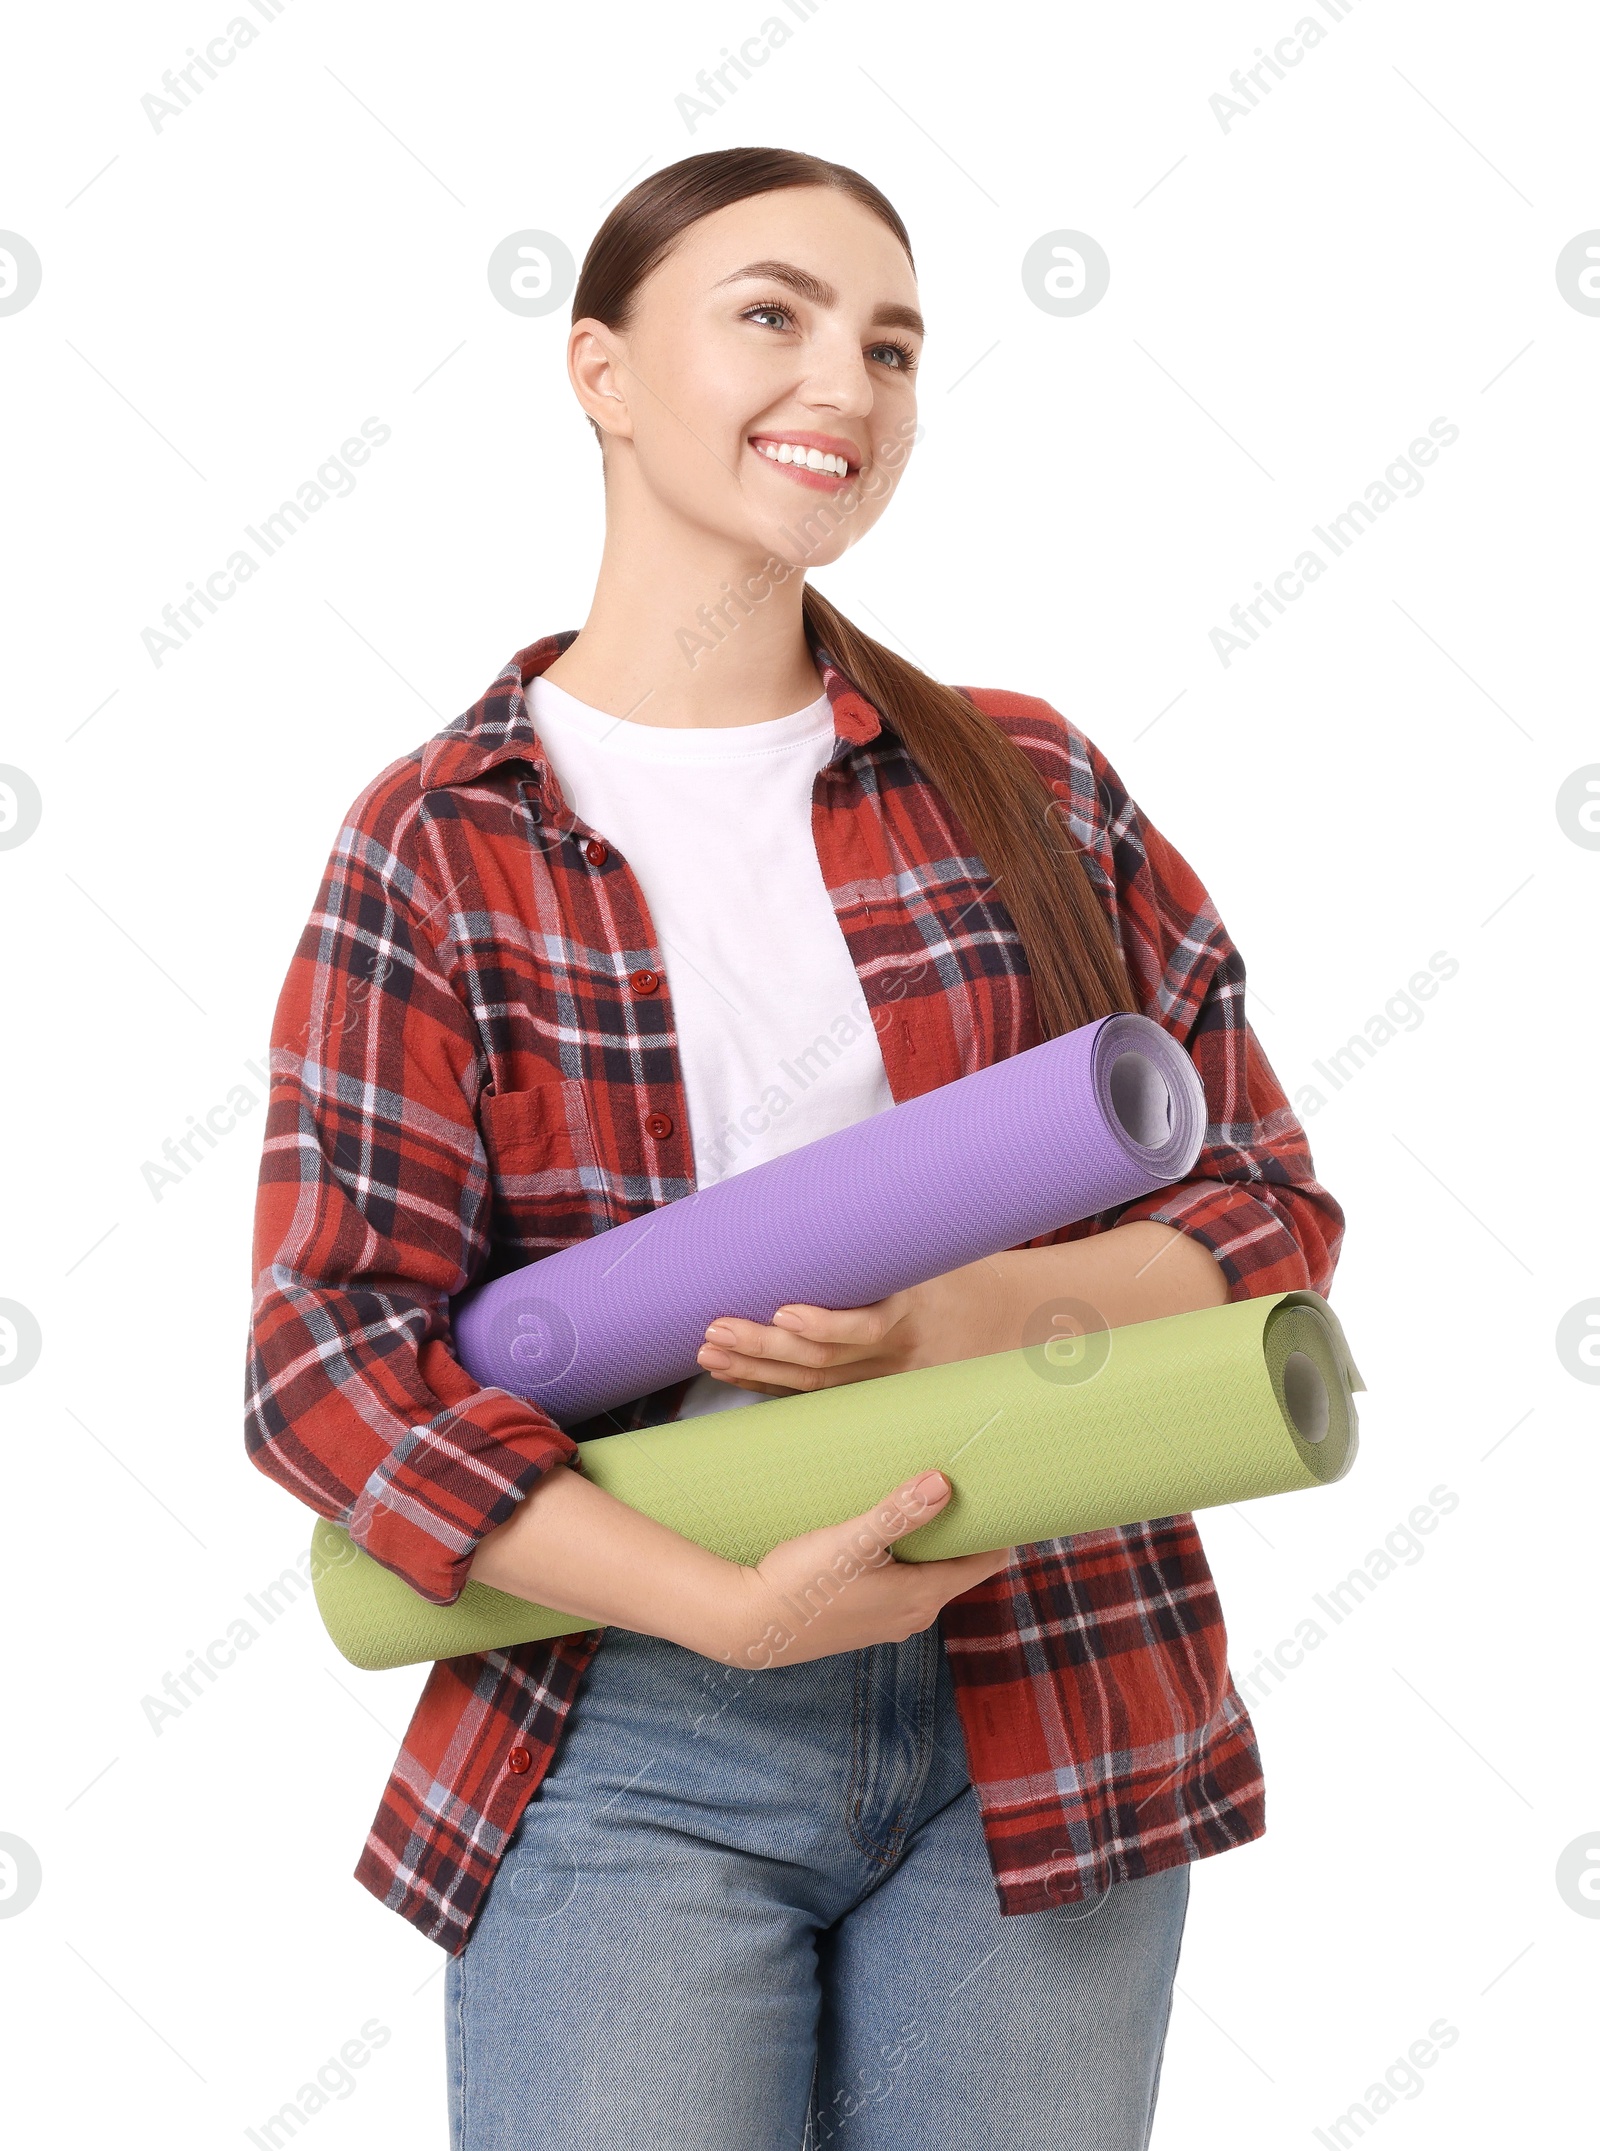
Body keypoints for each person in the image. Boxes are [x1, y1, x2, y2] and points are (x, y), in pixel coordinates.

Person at [245, 145, 1345, 2150]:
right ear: (599, 367)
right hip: (627, 1707)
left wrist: (961, 1313)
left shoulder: (1021, 778)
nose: (847, 379)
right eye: (772, 313)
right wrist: (715, 1601)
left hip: (1049, 1674)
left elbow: (1259, 1204)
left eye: (892, 343)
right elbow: (328, 1356)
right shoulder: (440, 840)